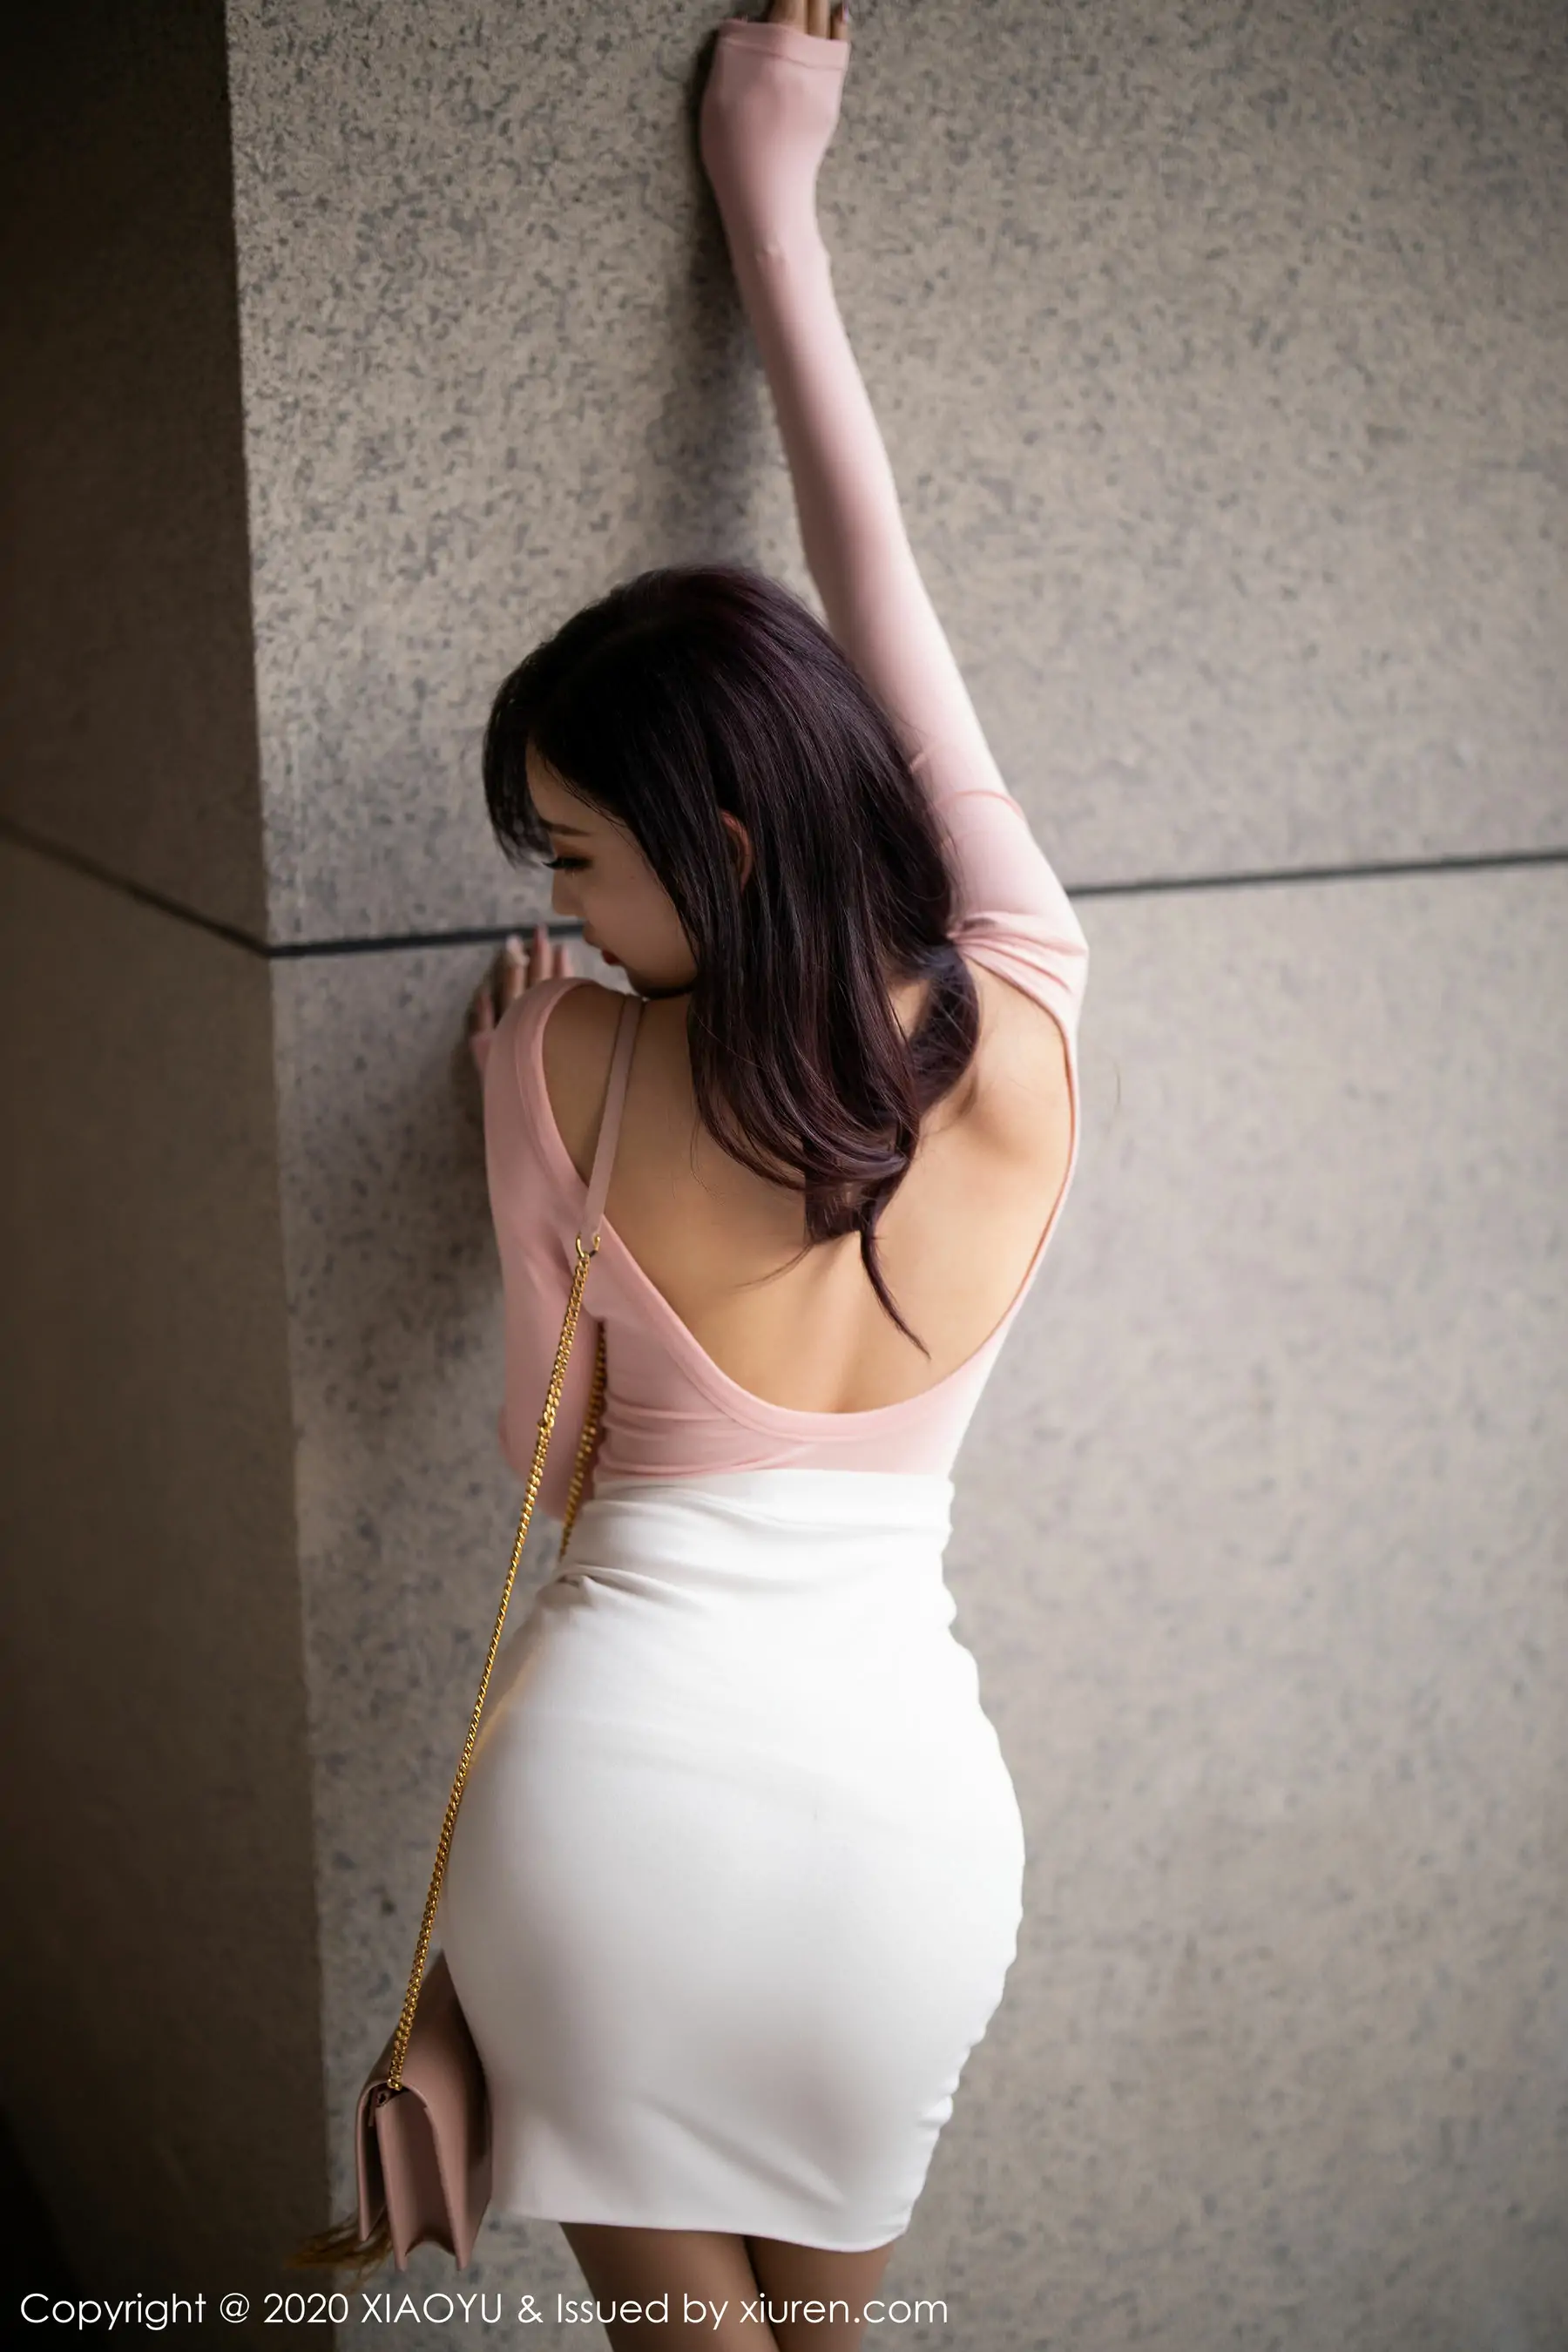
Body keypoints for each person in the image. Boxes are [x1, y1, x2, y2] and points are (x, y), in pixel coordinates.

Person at [446, 3, 1089, 2346]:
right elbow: (876, 574)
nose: (559, 904)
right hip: (902, 1843)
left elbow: (554, 1466)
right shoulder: (1023, 1019)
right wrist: (773, 198)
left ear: (711, 842)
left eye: (576, 853)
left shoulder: (565, 1062)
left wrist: (518, 1116)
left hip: (606, 1819)